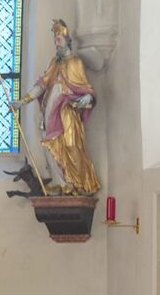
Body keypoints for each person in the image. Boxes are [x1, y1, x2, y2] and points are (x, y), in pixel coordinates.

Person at [11, 19, 99, 196]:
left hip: (68, 110)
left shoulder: (75, 62)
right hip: (50, 111)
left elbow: (85, 87)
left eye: (59, 39)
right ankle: (62, 184)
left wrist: (87, 97)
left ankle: (76, 183)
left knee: (71, 145)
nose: (56, 42)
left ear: (67, 40)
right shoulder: (54, 63)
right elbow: (41, 86)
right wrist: (22, 101)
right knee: (51, 145)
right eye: (55, 40)